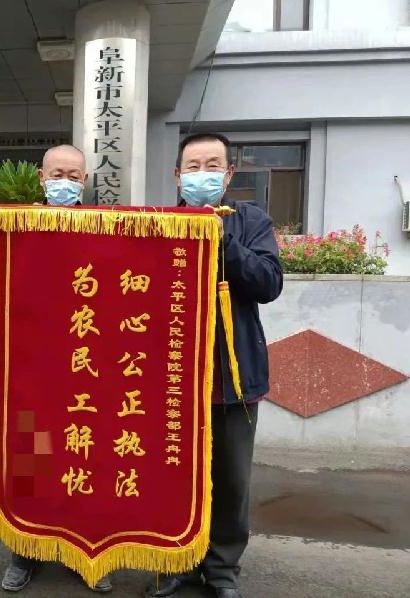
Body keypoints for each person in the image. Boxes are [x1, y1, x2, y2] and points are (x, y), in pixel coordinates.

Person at [143, 133, 283, 598]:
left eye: (212, 166)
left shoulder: (250, 222)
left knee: (231, 479)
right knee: (174, 478)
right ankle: (178, 562)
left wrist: (224, 242)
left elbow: (268, 283)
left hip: (232, 376)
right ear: (177, 176)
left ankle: (222, 570)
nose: (201, 175)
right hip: (171, 379)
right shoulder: (160, 225)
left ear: (228, 175)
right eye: (193, 166)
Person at [0, 144, 113, 594]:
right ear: (41, 178)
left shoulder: (106, 228)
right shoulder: (21, 227)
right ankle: (24, 552)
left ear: (84, 180)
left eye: (73, 175)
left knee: (83, 459)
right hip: (36, 372)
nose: (64, 182)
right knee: (33, 462)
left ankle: (84, 554)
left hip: (88, 372)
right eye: (56, 174)